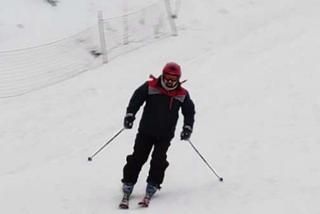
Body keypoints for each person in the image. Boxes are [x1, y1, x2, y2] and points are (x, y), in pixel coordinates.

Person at [121, 62, 195, 202]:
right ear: (163, 75)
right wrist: (130, 114)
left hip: (165, 135)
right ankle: (128, 182)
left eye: (173, 79)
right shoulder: (151, 86)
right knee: (138, 157)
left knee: (159, 160)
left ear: (178, 79)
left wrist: (187, 127)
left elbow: (189, 112)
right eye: (167, 77)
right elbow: (137, 98)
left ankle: (153, 184)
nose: (169, 81)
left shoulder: (182, 94)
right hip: (146, 131)